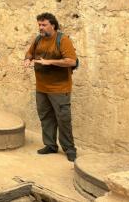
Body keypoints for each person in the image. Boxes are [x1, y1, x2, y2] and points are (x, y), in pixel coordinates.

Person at [24, 12, 78, 162]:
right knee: (46, 117)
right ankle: (50, 145)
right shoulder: (38, 40)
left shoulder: (63, 40)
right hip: (41, 88)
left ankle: (69, 148)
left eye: (44, 25)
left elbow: (71, 61)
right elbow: (29, 53)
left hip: (60, 89)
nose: (40, 28)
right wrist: (27, 60)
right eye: (39, 25)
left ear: (52, 25)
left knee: (63, 119)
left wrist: (51, 62)